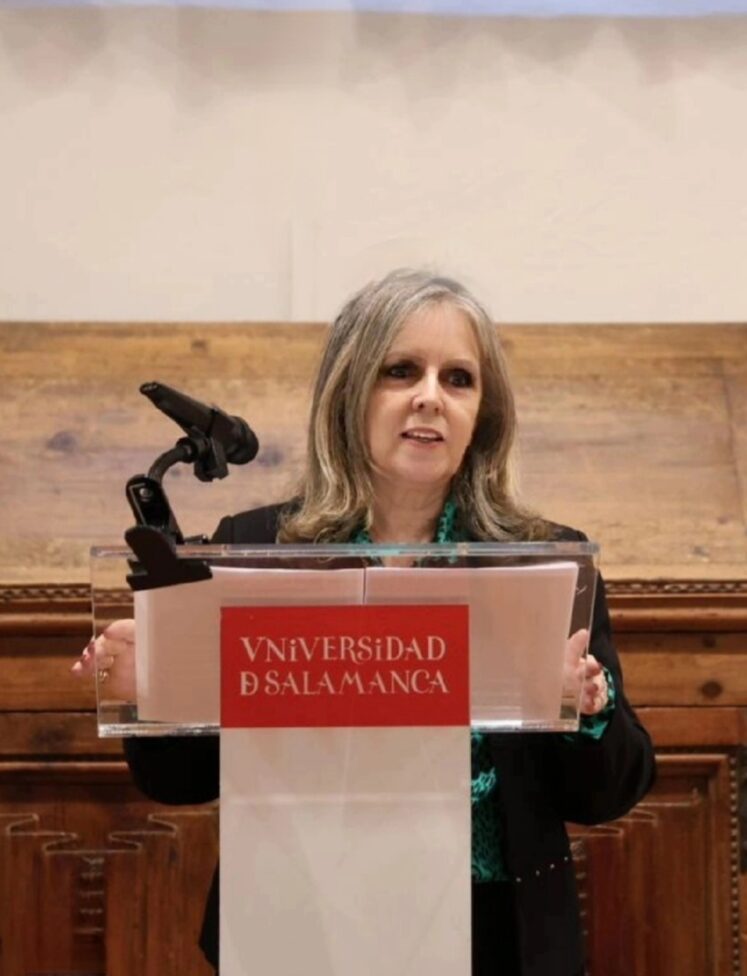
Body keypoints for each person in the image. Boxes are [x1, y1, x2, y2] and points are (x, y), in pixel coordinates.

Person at [73, 268, 655, 976]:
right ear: (350, 392)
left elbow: (609, 793)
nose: (430, 396)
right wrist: (155, 689)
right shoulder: (255, 549)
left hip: (495, 935)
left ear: (483, 413)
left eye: (459, 379)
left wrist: (586, 707)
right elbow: (181, 781)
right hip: (300, 930)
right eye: (400, 370)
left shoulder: (542, 564)